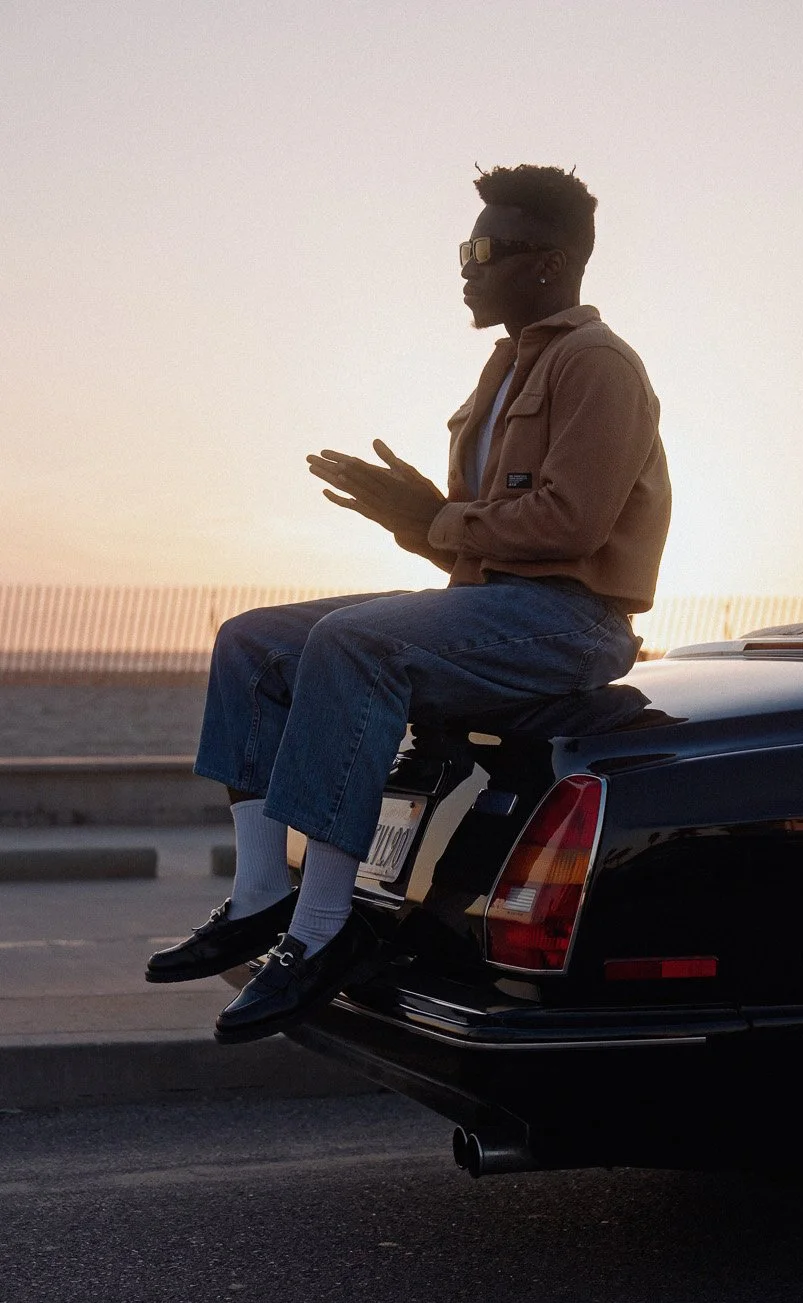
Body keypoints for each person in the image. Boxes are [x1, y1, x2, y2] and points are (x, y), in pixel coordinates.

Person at [143, 165, 669, 1043]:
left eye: (482, 249)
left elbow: (571, 523)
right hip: (491, 606)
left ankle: (322, 931)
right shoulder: (502, 369)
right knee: (251, 642)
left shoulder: (598, 366)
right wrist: (414, 514)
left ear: (544, 262)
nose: (464, 267)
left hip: (567, 623)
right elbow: (480, 531)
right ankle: (265, 894)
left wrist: (435, 517)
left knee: (353, 645)